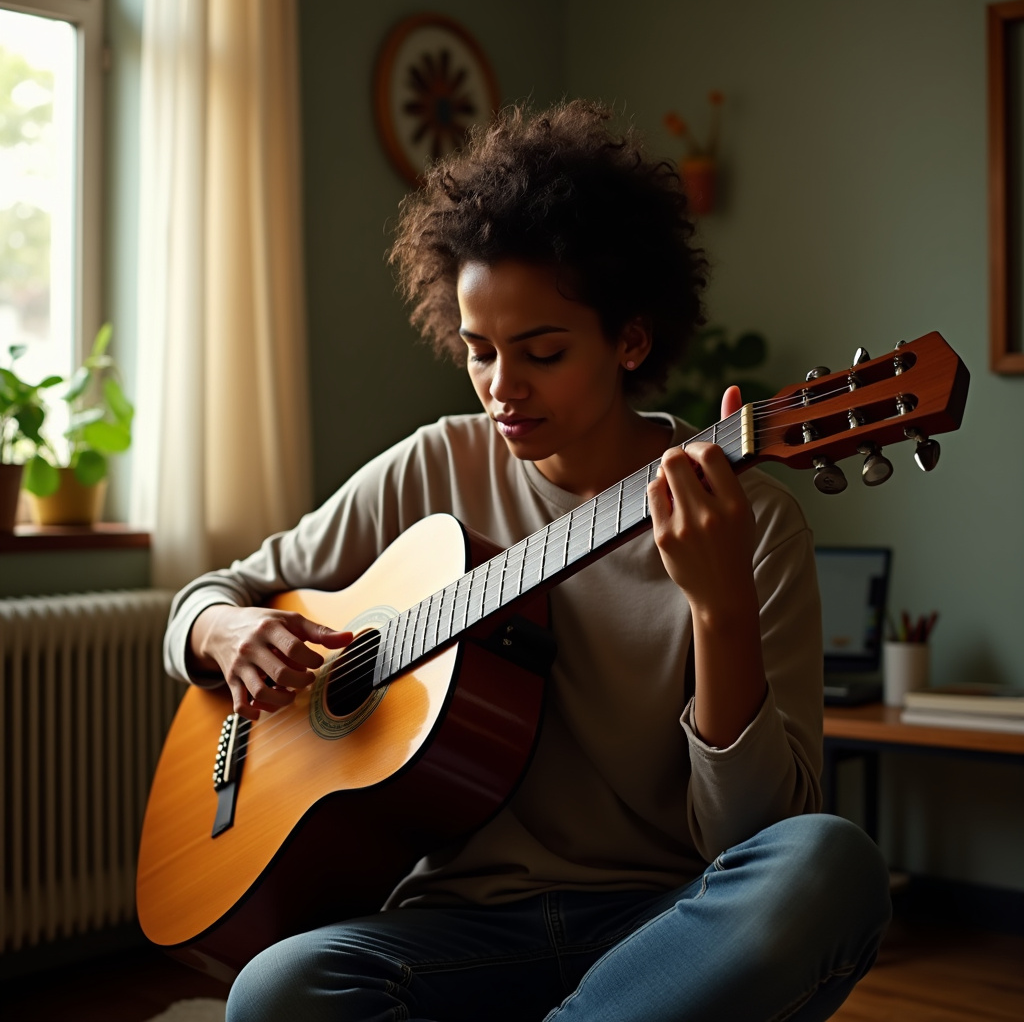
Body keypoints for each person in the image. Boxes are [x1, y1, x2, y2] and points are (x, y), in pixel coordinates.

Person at [164, 100, 891, 1022]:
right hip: (454, 932)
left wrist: (720, 612)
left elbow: (755, 838)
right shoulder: (434, 467)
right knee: (275, 991)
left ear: (631, 339)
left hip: (663, 928)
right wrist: (220, 629)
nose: (502, 389)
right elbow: (211, 594)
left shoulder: (752, 527)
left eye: (541, 352)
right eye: (479, 352)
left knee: (833, 864)